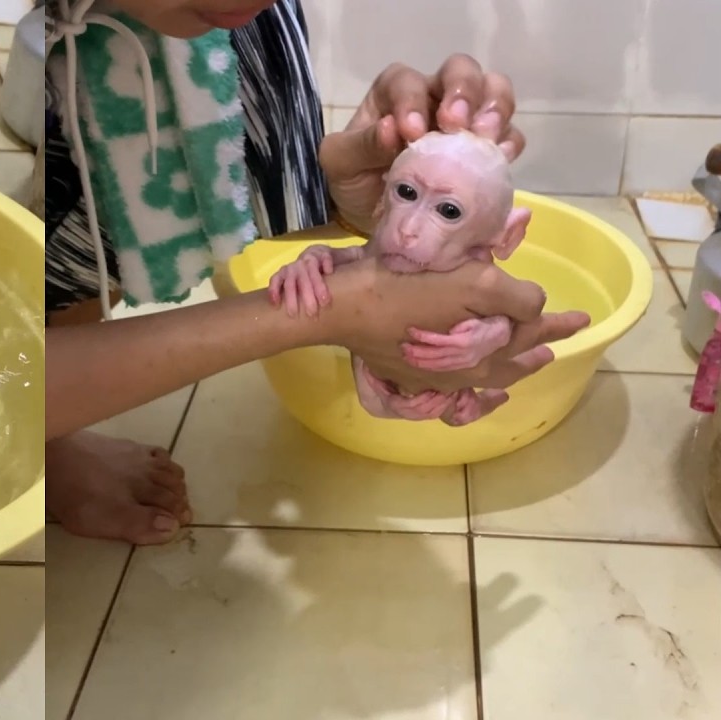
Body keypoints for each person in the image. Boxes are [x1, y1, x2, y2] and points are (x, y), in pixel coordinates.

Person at [43, 0, 592, 544]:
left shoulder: (235, 24)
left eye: (448, 210)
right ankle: (51, 433)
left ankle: (55, 430)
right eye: (405, 195)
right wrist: (325, 306)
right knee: (64, 216)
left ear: (506, 235)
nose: (405, 231)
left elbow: (236, 188)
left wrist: (332, 203)